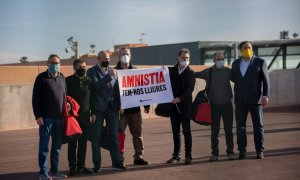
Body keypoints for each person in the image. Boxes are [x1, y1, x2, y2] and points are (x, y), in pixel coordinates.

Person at [87, 50, 126, 172]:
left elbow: (116, 89)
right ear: (98, 59)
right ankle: (97, 164)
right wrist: (108, 77)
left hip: (112, 108)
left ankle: (116, 162)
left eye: (108, 59)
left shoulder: (113, 70)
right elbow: (94, 86)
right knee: (96, 137)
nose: (107, 61)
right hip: (98, 109)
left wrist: (120, 104)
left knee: (114, 137)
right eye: (104, 59)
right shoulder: (91, 71)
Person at [231, 41, 270, 159]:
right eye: (245, 48)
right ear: (240, 50)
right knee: (240, 127)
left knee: (258, 126)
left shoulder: (260, 62)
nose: (247, 49)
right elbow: (234, 78)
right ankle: (242, 151)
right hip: (240, 100)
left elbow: (266, 80)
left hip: (255, 100)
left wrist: (265, 95)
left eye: (249, 47)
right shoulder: (235, 63)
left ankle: (260, 151)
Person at [32, 54, 67, 180]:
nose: (54, 65)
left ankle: (55, 171)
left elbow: (64, 96)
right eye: (52, 63)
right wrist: (38, 115)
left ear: (60, 64)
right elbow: (35, 99)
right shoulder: (41, 78)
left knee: (57, 147)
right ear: (47, 64)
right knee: (44, 147)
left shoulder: (62, 77)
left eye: (56, 63)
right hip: (46, 119)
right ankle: (43, 173)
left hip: (59, 119)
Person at [195, 52, 234, 161]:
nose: (220, 61)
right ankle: (215, 154)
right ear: (214, 60)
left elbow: (240, 79)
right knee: (214, 132)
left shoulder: (228, 71)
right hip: (214, 106)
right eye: (218, 59)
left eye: (222, 59)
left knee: (229, 131)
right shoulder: (209, 71)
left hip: (227, 105)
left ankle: (230, 152)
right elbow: (194, 74)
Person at [115, 47, 150, 165]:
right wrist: (117, 106)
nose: (125, 56)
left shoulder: (136, 71)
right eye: (122, 54)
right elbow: (111, 92)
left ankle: (138, 157)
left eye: (127, 54)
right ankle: (119, 158)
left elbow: (142, 89)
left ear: (131, 56)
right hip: (121, 111)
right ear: (119, 56)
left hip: (135, 110)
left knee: (138, 134)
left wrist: (146, 105)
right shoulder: (114, 72)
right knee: (119, 135)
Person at [167, 48, 195, 165]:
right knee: (175, 132)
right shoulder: (170, 71)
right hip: (173, 107)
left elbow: (190, 90)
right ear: (178, 58)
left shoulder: (191, 73)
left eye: (187, 58)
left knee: (186, 131)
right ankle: (176, 155)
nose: (185, 60)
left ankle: (188, 156)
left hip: (185, 107)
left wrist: (180, 98)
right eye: (183, 58)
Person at [66, 59, 92, 176]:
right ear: (74, 68)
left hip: (86, 116)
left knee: (83, 142)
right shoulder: (68, 81)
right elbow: (64, 98)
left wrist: (93, 113)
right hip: (73, 117)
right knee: (73, 143)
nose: (83, 69)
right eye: (80, 67)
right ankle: (72, 167)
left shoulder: (88, 81)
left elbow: (92, 98)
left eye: (84, 66)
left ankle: (81, 166)